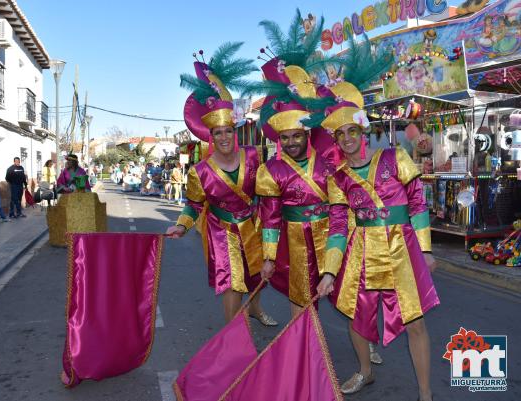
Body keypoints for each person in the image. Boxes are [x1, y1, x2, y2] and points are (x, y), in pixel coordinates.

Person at [316, 80, 439, 401]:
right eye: (340, 134)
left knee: (415, 321)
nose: (346, 139)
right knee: (357, 320)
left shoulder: (395, 156)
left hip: (402, 248)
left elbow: (417, 203)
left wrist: (425, 249)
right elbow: (338, 226)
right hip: (362, 253)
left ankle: (425, 394)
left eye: (351, 132)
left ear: (363, 132)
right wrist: (329, 271)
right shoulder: (337, 178)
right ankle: (365, 372)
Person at [166, 42, 276, 326]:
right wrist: (181, 224)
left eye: (228, 131)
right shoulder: (199, 171)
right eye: (218, 132)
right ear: (211, 135)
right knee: (232, 282)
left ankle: (255, 309)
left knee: (255, 276)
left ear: (234, 132)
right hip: (221, 230)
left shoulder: (254, 156)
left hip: (252, 225)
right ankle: (234, 334)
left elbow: (267, 191)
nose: (224, 137)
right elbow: (193, 205)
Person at [253, 54, 337, 319]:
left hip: (330, 236)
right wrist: (268, 257)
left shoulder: (328, 165)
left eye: (296, 136)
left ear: (307, 134)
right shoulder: (271, 171)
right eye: (285, 137)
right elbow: (270, 218)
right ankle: (305, 348)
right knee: (301, 298)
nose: (291, 143)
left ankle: (363, 342)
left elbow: (341, 208)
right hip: (295, 241)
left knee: (347, 292)